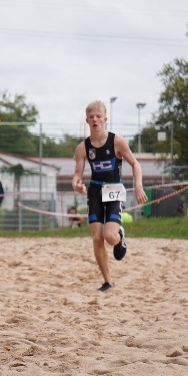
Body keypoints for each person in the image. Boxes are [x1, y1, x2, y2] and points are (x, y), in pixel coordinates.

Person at [72, 100, 148, 292]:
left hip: (114, 191)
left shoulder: (117, 141)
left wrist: (138, 186)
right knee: (97, 238)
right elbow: (77, 174)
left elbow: (135, 164)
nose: (95, 119)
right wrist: (77, 184)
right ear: (87, 121)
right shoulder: (83, 148)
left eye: (98, 116)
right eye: (91, 117)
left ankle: (120, 236)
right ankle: (108, 281)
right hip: (95, 191)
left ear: (105, 119)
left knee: (109, 237)